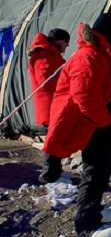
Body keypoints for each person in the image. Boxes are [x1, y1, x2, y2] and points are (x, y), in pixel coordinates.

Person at [42, 13, 111, 237]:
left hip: (100, 125)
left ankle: (95, 211)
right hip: (93, 126)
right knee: (94, 173)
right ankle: (86, 226)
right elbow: (84, 96)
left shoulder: (100, 53)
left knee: (101, 172)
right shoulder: (89, 56)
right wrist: (103, 122)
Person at [27, 28, 70, 184]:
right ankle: (49, 175)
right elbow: (45, 81)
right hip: (50, 106)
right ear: (57, 40)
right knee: (53, 140)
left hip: (55, 105)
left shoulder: (50, 55)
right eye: (66, 42)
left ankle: (56, 170)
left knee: (57, 138)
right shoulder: (43, 57)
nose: (67, 46)